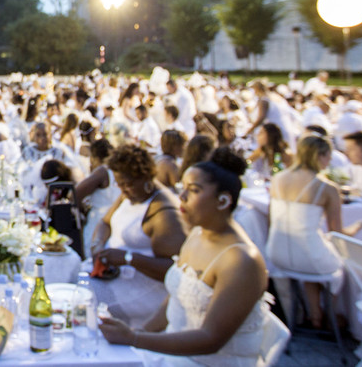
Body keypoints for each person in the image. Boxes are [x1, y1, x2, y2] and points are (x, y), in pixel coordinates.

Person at [101, 147, 280, 366]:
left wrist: (136, 339)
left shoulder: (242, 260)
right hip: (173, 352)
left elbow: (210, 340)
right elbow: (177, 297)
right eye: (183, 188)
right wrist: (138, 333)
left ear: (223, 201)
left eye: (193, 190)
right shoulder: (197, 234)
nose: (181, 197)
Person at [265, 134, 362, 328]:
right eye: (328, 156)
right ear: (320, 156)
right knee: (337, 268)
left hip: (276, 253)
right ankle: (329, 317)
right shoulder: (327, 188)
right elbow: (338, 234)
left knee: (315, 258)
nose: (330, 160)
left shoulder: (278, 178)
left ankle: (315, 314)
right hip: (308, 256)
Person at [91, 144, 187, 328]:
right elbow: (105, 223)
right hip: (116, 274)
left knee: (83, 297)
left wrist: (128, 258)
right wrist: (97, 245)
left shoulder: (164, 212)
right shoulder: (130, 195)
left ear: (145, 176)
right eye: (119, 184)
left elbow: (174, 271)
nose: (123, 190)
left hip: (143, 290)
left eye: (127, 184)